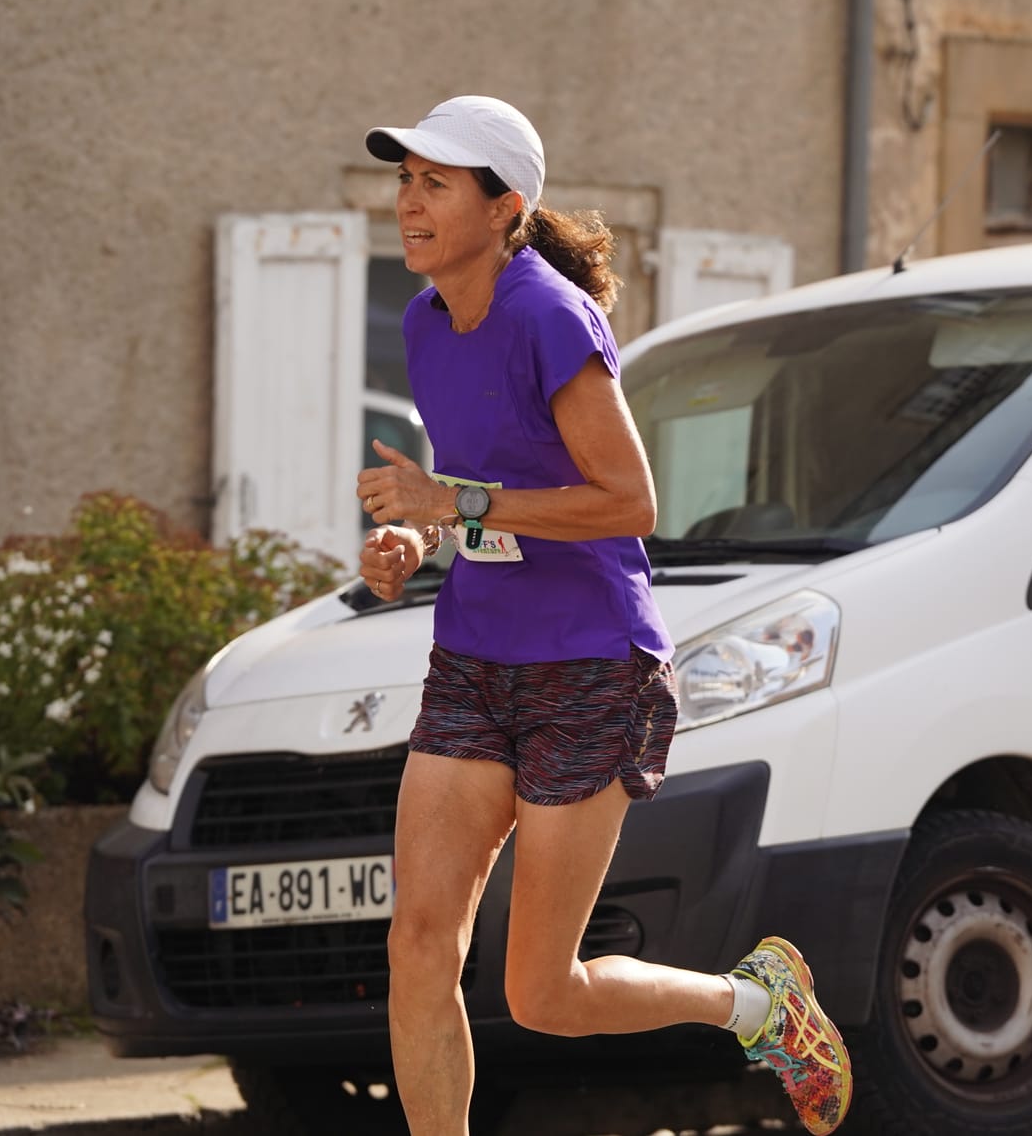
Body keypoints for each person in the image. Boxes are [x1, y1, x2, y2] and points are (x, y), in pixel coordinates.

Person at [352, 95, 851, 1136]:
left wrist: (456, 504)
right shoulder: (426, 320)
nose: (408, 200)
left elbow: (627, 501)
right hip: (474, 658)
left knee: (543, 993)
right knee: (418, 942)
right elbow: (485, 487)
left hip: (589, 664)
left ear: (505, 208)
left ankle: (757, 1004)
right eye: (404, 178)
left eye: (434, 183)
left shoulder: (547, 315)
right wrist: (421, 534)